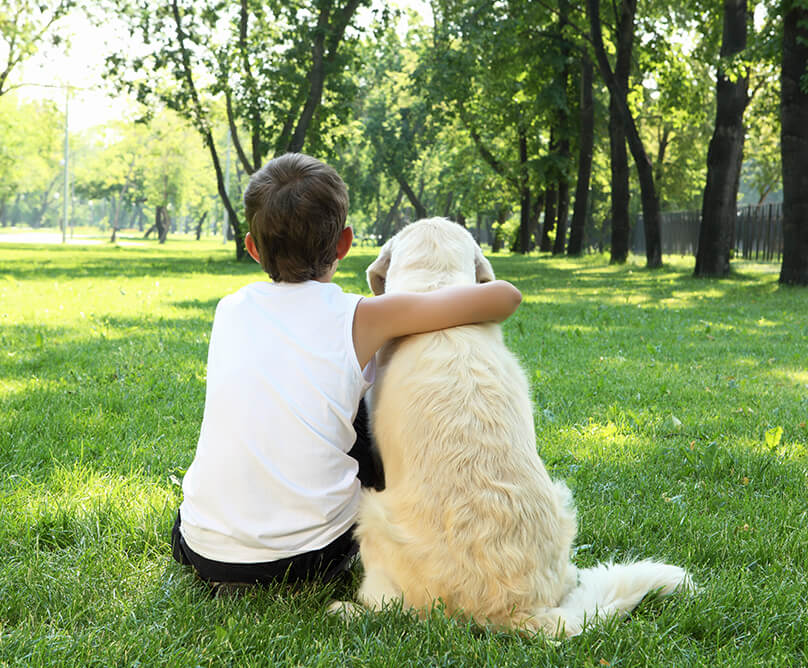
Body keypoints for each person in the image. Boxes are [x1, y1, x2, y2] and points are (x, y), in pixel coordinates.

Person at [171, 152, 522, 588]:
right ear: (345, 243)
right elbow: (505, 298)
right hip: (310, 560)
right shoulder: (362, 317)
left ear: (252, 248)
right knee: (360, 412)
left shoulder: (229, 309)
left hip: (203, 551)